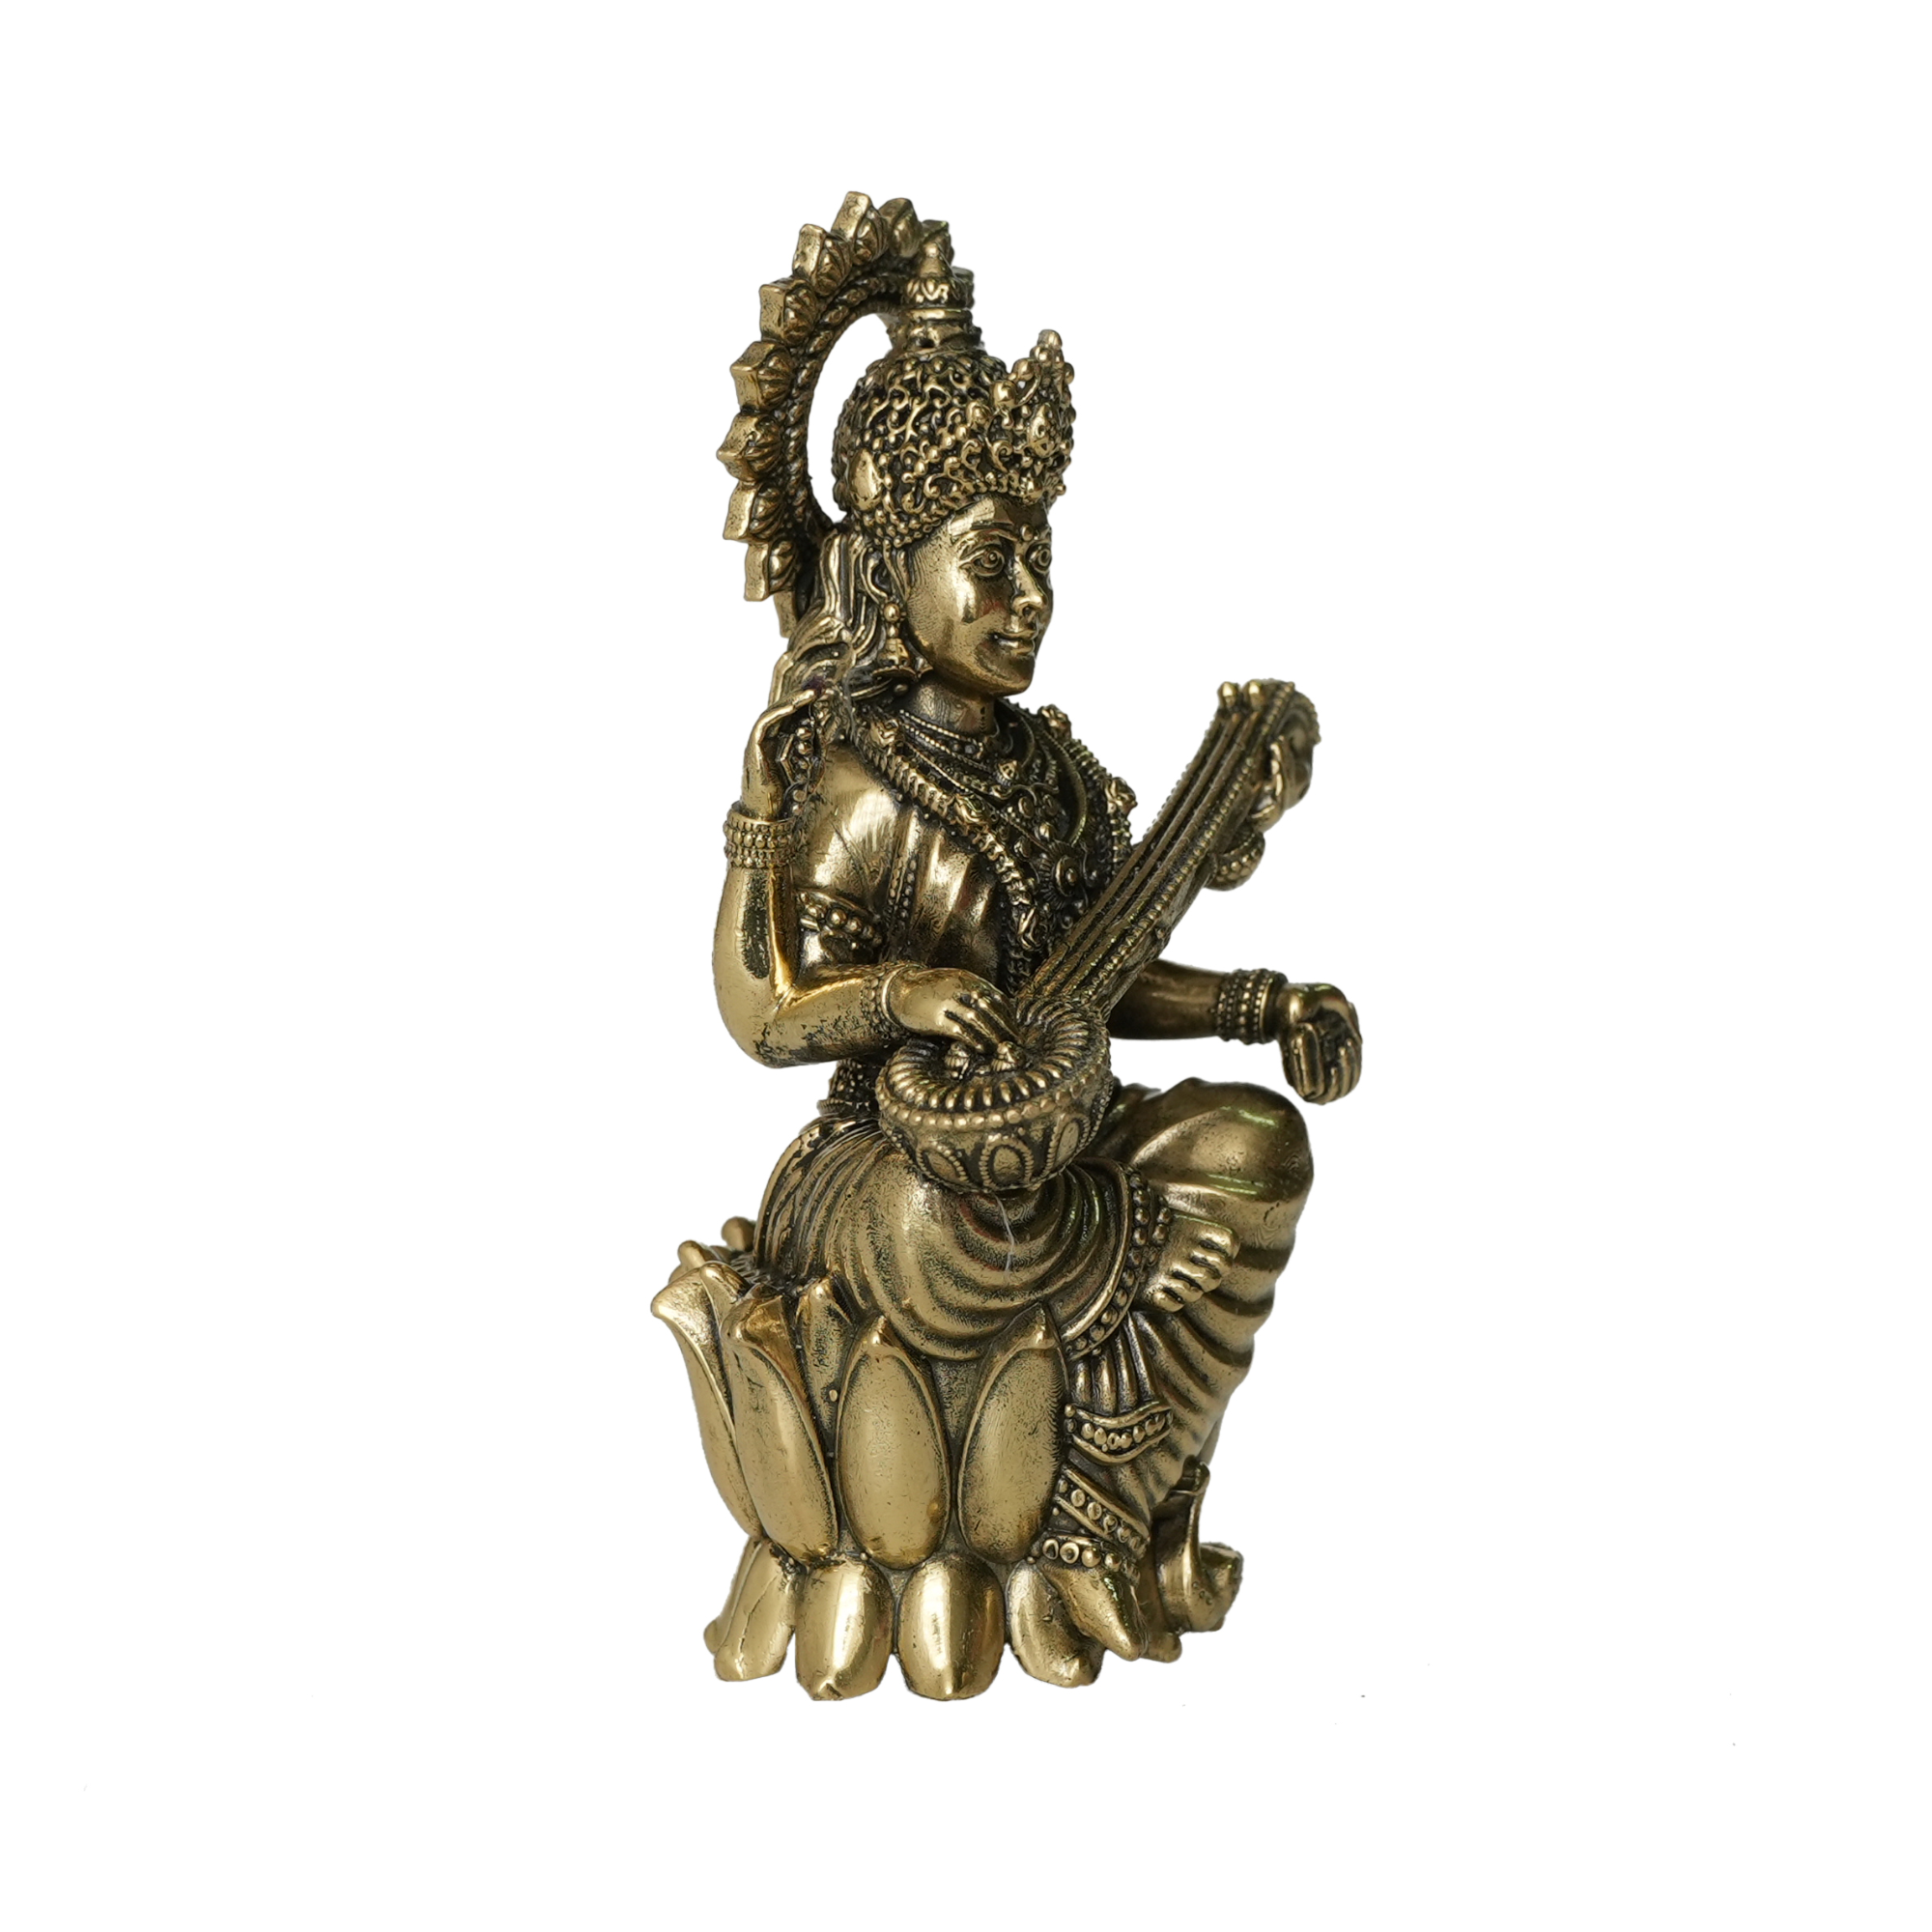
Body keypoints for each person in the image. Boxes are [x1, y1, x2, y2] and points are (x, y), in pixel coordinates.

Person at [660, 199, 1362, 1698]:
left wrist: (1257, 1003)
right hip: (902, 1176)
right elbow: (763, 1010)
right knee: (947, 1234)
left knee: (1250, 1154)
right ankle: (987, 1515)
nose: (1027, 596)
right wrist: (901, 995)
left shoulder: (1049, 775)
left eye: (1038, 557)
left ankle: (1106, 1495)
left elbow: (1089, 989)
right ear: (892, 564)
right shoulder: (852, 783)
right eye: (990, 559)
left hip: (1063, 1141)